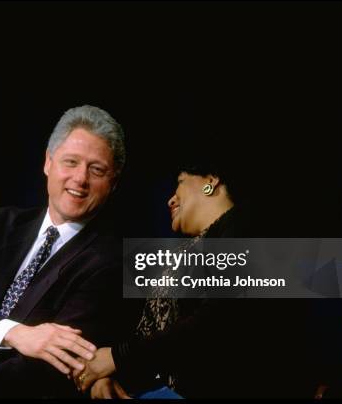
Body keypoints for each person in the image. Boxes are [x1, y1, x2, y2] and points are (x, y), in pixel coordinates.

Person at [0, 105, 136, 398]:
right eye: (71, 162)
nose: (80, 179)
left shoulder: (113, 259)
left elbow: (52, 364)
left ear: (112, 183)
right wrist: (16, 334)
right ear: (48, 163)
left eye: (97, 170)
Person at [72, 161, 321, 399]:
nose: (170, 199)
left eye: (180, 182)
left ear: (210, 182)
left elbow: (218, 322)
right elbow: (148, 331)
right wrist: (110, 374)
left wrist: (118, 359)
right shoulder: (193, 250)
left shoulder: (248, 227)